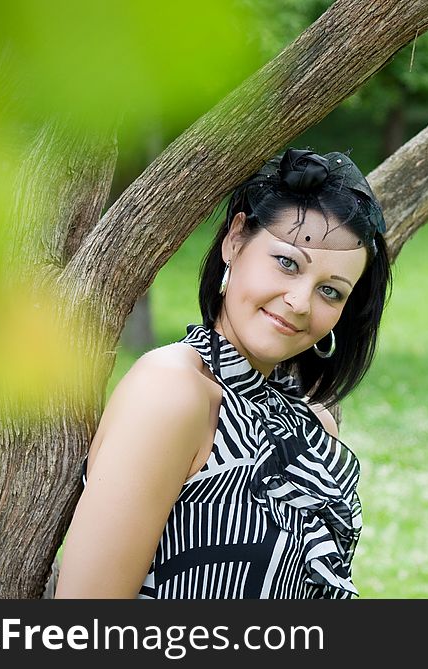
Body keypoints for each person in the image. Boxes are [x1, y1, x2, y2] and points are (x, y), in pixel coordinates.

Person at [55, 148, 392, 598]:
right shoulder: (172, 391)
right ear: (235, 239)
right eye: (287, 263)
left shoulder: (314, 425)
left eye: (330, 291)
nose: (299, 302)